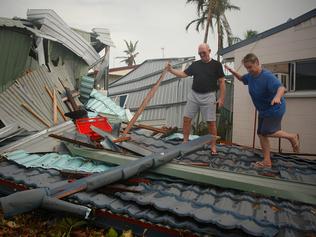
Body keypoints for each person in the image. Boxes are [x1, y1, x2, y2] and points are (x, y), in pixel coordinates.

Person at [225, 53, 300, 168]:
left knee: (267, 132)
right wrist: (232, 71)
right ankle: (267, 161)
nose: (248, 70)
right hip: (264, 110)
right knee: (261, 133)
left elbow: (281, 88)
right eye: (247, 68)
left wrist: (277, 97)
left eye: (250, 67)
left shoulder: (267, 76)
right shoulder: (250, 75)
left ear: (257, 62)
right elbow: (242, 79)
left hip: (275, 107)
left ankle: (292, 137)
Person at [165, 43, 225, 155]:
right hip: (194, 95)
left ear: (209, 51)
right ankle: (185, 141)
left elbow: (222, 82)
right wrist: (171, 70)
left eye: (204, 53)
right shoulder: (195, 65)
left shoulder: (217, 65)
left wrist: (221, 98)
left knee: (211, 123)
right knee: (186, 119)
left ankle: (213, 146)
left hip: (209, 96)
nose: (202, 55)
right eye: (200, 53)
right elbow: (183, 74)